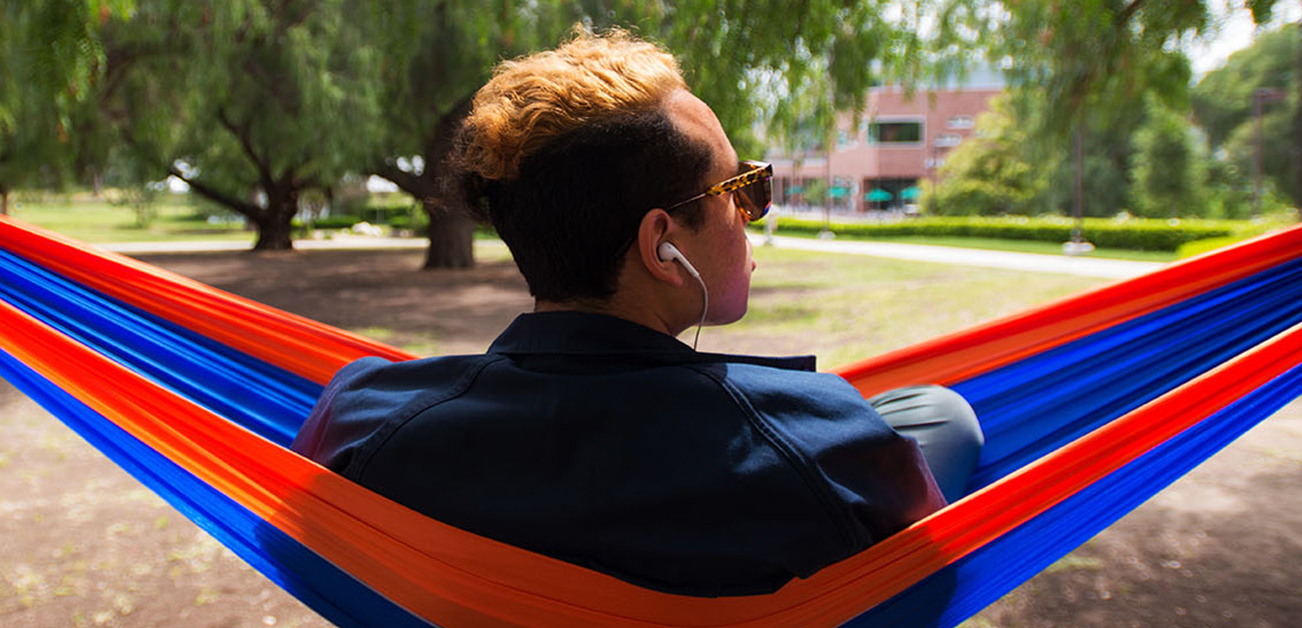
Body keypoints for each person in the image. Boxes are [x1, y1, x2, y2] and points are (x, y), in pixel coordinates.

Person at [292, 28, 982, 597]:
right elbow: (928, 574)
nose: (751, 215)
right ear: (661, 244)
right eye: (741, 189)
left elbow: (298, 542)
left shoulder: (366, 422)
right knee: (942, 414)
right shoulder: (816, 443)